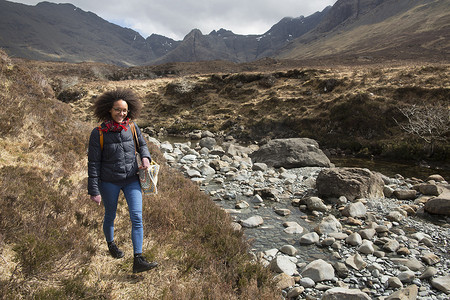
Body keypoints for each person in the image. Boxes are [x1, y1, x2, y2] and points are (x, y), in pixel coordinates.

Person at [87, 88, 158, 273]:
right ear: (109, 110)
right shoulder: (98, 133)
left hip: (131, 179)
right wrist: (94, 190)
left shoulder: (132, 127)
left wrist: (145, 158)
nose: (121, 113)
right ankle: (111, 244)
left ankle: (138, 259)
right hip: (109, 181)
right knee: (110, 214)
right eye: (118, 109)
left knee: (137, 217)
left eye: (124, 110)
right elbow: (93, 163)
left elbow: (142, 145)